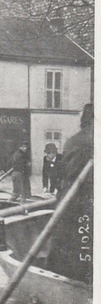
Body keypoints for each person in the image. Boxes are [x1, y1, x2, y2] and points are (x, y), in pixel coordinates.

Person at [45, 103, 93, 284]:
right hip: (87, 200)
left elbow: (64, 173)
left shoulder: (75, 140)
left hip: (73, 201)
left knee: (65, 242)